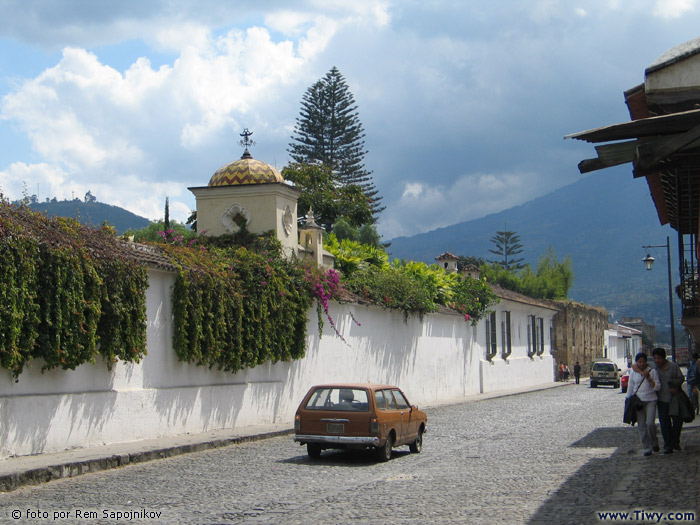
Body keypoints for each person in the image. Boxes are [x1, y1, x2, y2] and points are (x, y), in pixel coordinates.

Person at [648, 347, 684, 453]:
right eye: (655, 358)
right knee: (664, 423)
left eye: (659, 358)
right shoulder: (654, 369)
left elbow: (681, 378)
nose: (657, 361)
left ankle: (675, 441)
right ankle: (668, 445)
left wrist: (676, 387)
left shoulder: (673, 366)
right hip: (661, 399)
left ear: (664, 358)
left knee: (677, 421)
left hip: (674, 399)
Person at [626, 352, 660, 456]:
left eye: (643, 361)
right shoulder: (634, 373)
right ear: (637, 362)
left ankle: (654, 442)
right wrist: (628, 399)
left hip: (651, 400)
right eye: (640, 362)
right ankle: (646, 447)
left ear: (646, 362)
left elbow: (657, 387)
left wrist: (649, 378)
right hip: (638, 401)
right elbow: (631, 386)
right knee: (641, 425)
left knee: (650, 423)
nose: (642, 363)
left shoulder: (652, 372)